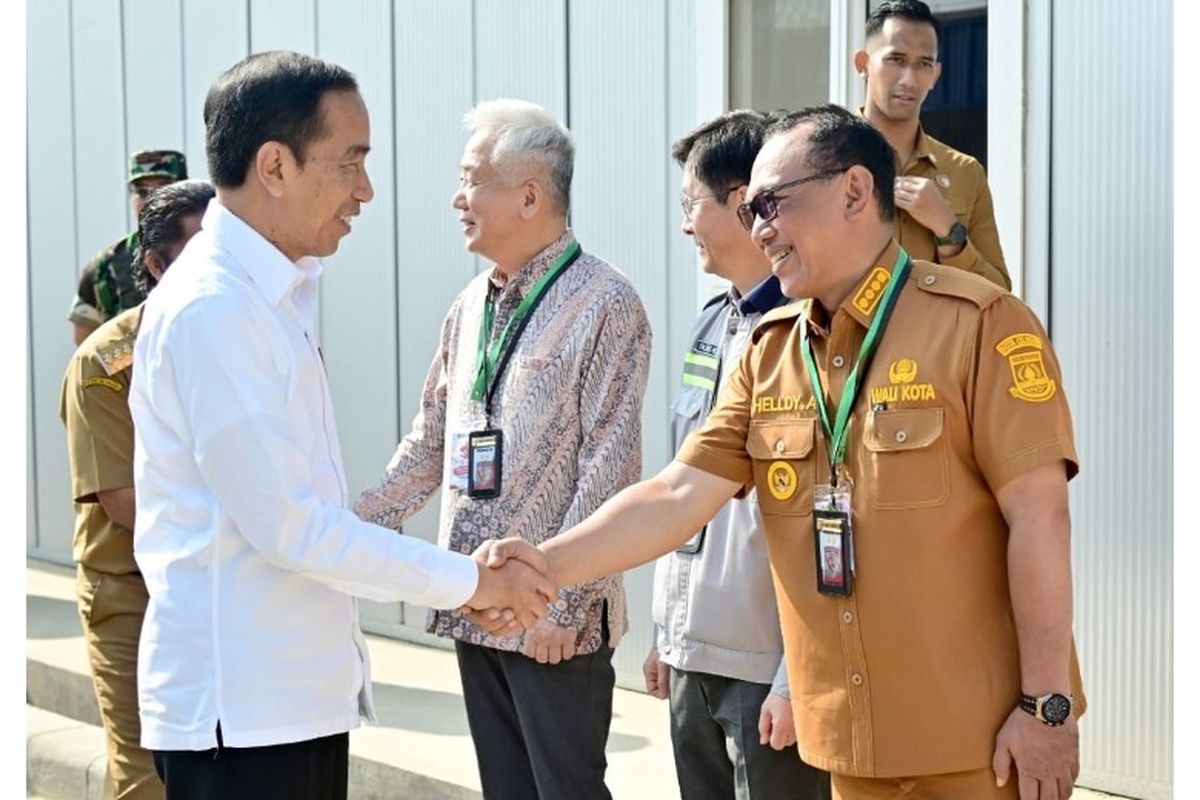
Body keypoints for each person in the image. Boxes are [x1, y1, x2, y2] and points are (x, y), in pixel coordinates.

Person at [487, 105, 1086, 800]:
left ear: (855, 192)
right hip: (848, 747)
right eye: (749, 211)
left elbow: (1040, 518)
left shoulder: (980, 325)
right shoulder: (769, 353)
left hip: (976, 747)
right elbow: (678, 495)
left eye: (771, 204)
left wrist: (1047, 707)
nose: (758, 229)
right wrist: (542, 565)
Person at [128, 52, 554, 800]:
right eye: (350, 162)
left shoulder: (267, 295)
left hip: (284, 706)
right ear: (274, 166)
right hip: (243, 719)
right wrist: (470, 582)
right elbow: (291, 526)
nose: (365, 190)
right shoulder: (216, 310)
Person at [354, 98, 652, 800]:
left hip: (552, 621)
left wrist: (564, 604)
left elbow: (611, 465)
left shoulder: (606, 302)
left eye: (470, 180)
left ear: (529, 196)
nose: (456, 199)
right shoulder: (470, 306)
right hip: (477, 603)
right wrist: (350, 529)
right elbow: (431, 438)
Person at [645, 109, 830, 800]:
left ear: (740, 201)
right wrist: (668, 631)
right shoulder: (712, 324)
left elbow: (829, 515)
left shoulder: (812, 330)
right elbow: (682, 482)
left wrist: (793, 675)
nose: (684, 225)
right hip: (696, 649)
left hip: (765, 662)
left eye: (690, 204)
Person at [60, 179, 215, 800]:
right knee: (145, 774)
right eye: (201, 250)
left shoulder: (239, 341)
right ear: (155, 264)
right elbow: (123, 501)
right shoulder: (106, 361)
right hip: (131, 590)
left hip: (215, 582)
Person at [854, 0, 1011, 290]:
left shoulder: (965, 172)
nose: (909, 80)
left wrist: (948, 231)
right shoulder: (824, 160)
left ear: (935, 75)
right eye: (896, 59)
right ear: (863, 64)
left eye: (923, 64)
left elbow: (998, 293)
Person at [68, 149, 189, 344]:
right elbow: (87, 344)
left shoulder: (207, 253)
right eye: (141, 192)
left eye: (162, 190)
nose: (150, 200)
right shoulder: (105, 267)